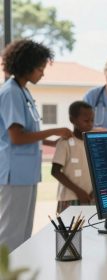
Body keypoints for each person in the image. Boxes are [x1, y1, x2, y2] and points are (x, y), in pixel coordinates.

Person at [0, 39, 73, 251]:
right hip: (14, 173)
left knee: (23, 233)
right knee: (10, 233)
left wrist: (51, 141)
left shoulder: (24, 92)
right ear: (27, 66)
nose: (42, 73)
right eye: (40, 68)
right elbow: (17, 137)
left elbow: (28, 132)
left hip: (27, 173)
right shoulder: (11, 93)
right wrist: (54, 131)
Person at [51, 101, 95, 214]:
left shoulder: (93, 142)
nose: (90, 124)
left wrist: (95, 191)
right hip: (69, 200)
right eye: (86, 121)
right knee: (69, 231)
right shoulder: (65, 142)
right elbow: (55, 171)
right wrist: (79, 192)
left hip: (91, 198)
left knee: (91, 230)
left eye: (92, 120)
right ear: (72, 120)